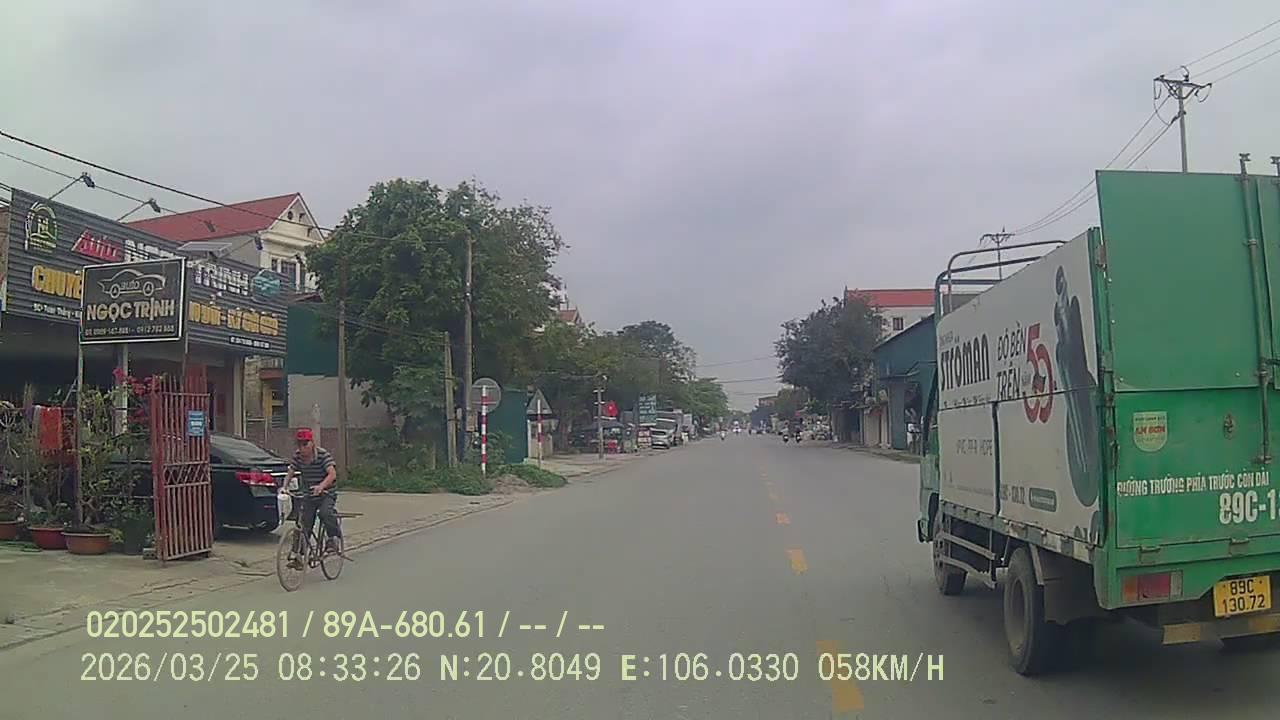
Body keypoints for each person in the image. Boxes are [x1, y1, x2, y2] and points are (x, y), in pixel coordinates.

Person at [287, 428, 342, 562]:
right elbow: (290, 472)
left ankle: (333, 539)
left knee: (325, 513)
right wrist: (284, 487)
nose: (302, 448)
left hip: (326, 493)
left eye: (305, 444)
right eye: (299, 444)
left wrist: (321, 486)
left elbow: (332, 474)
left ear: (312, 443)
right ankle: (298, 555)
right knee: (303, 522)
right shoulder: (298, 456)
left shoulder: (323, 455)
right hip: (309, 494)